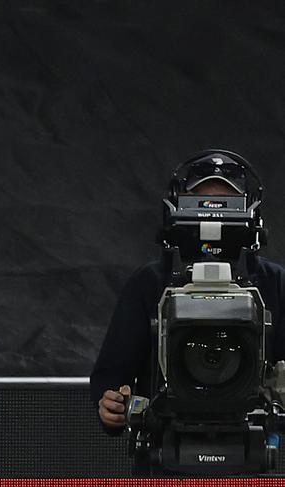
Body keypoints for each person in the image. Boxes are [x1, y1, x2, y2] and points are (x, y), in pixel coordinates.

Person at [91, 150, 285, 431]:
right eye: (201, 201)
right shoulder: (150, 282)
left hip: (247, 442)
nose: (213, 211)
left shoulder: (274, 283)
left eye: (226, 202)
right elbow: (111, 373)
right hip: (164, 447)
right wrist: (111, 404)